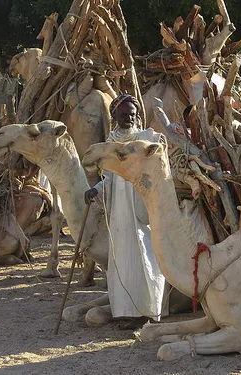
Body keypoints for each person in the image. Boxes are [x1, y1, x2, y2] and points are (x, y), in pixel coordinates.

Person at [85, 94, 166, 325]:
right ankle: (126, 311)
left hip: (140, 205)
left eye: (132, 114)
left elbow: (159, 148)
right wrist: (96, 190)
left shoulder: (143, 139)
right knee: (122, 257)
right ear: (115, 116)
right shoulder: (110, 144)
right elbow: (109, 178)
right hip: (119, 211)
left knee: (145, 254)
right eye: (124, 114)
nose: (129, 118)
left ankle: (149, 311)